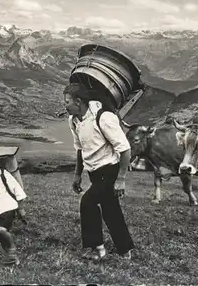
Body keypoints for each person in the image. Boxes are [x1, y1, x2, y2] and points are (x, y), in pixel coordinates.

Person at [64, 83, 135, 261]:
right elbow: (80, 149)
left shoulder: (103, 118)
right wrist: (78, 174)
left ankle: (97, 248)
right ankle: (125, 249)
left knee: (87, 203)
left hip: (110, 170)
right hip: (94, 173)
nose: (65, 106)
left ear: (78, 102)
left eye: (67, 102)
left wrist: (121, 179)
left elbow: (125, 149)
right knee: (110, 209)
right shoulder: (73, 121)